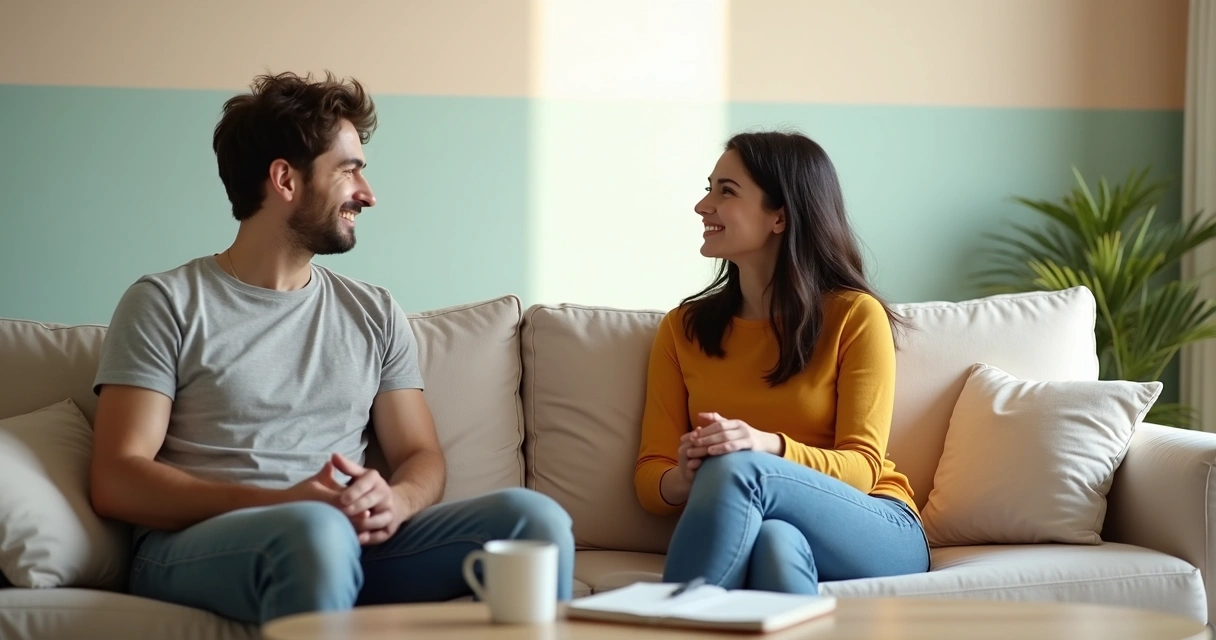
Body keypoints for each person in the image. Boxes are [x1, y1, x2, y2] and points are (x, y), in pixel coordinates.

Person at [88, 71, 574, 625]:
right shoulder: (166, 302)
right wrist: (285, 503)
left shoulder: (373, 310)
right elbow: (118, 478)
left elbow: (421, 454)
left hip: (344, 539)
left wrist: (398, 500)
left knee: (534, 521)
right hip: (196, 547)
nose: (367, 194)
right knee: (315, 531)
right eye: (349, 172)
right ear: (285, 180)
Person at [633, 131, 929, 594]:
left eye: (725, 191)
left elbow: (862, 466)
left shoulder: (853, 315)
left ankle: (672, 622)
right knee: (774, 541)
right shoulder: (683, 329)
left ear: (780, 217)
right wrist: (685, 477)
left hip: (878, 524)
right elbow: (651, 474)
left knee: (738, 468)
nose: (702, 206)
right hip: (767, 526)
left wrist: (765, 446)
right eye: (709, 187)